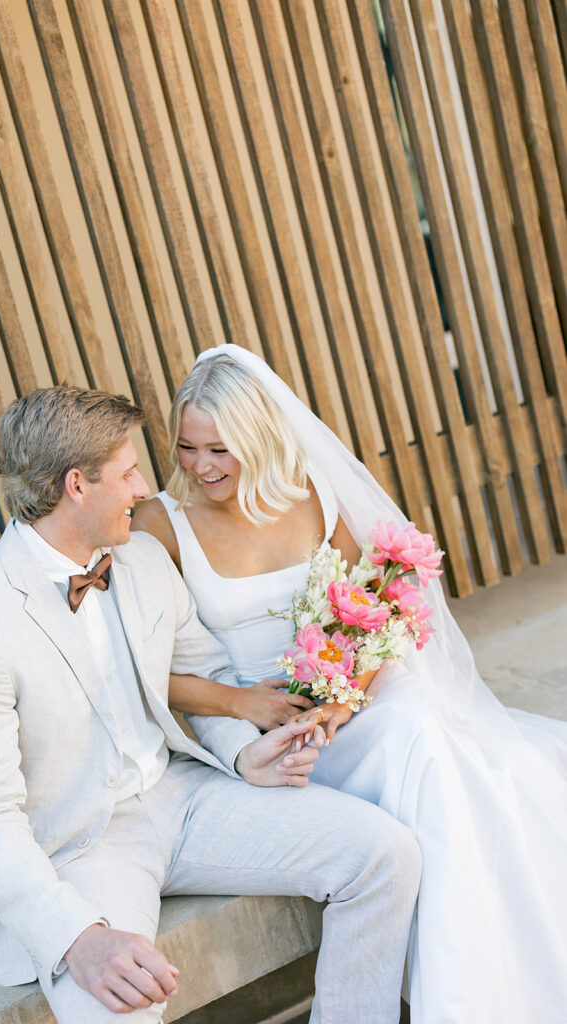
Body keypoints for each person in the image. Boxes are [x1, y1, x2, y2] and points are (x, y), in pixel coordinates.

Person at [0, 384, 421, 1024]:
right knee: (117, 1008)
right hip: (82, 847)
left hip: (185, 798)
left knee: (385, 855)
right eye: (128, 473)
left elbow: (204, 673)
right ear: (77, 484)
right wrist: (80, 938)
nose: (142, 489)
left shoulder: (143, 558)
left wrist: (247, 757)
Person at [132, 344, 567, 1024]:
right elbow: (143, 668)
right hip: (269, 727)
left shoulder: (313, 494)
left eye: (220, 450)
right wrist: (247, 705)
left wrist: (345, 692)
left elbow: (377, 607)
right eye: (186, 448)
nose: (201, 467)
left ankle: (472, 995)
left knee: (418, 725)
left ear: (260, 438)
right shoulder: (159, 525)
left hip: (349, 699)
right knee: (425, 753)